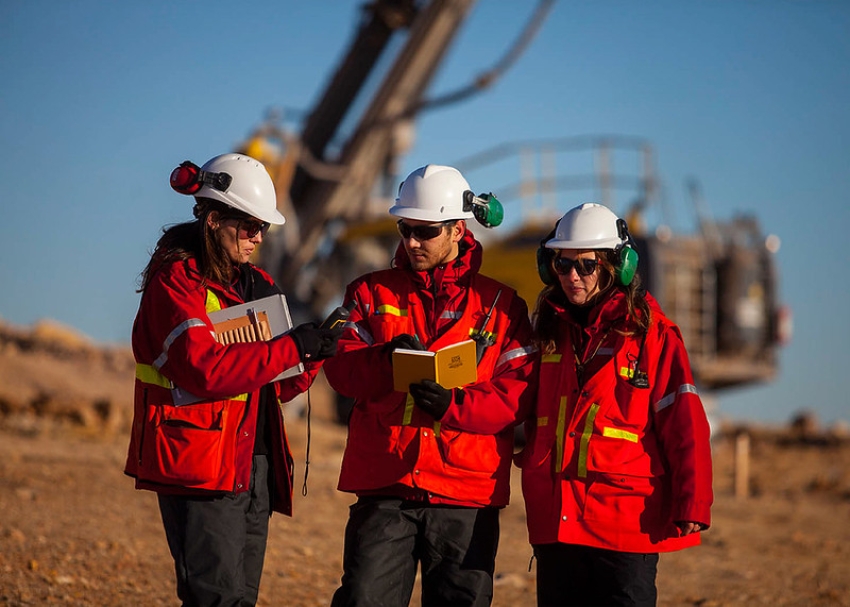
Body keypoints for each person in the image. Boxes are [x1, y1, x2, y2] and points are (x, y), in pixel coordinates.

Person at [124, 153, 342, 606]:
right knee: (215, 599)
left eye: (263, 228)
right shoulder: (176, 283)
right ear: (213, 219)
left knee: (240, 598)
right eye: (248, 226)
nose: (257, 237)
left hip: (254, 463)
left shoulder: (259, 283)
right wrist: (293, 348)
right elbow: (204, 368)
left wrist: (315, 352)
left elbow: (280, 386)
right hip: (200, 464)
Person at [322, 164, 537, 606]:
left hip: (465, 495)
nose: (412, 242)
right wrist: (385, 360)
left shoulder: (502, 305)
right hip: (387, 484)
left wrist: (453, 407)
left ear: (459, 229)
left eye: (426, 231)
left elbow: (518, 394)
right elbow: (340, 371)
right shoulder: (367, 294)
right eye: (405, 228)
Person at [517, 203, 714, 607]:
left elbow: (684, 421)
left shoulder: (653, 336)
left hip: (627, 523)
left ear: (616, 266)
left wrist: (692, 500)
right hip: (557, 520)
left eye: (586, 265)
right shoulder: (548, 332)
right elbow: (510, 399)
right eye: (562, 263)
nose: (572, 276)